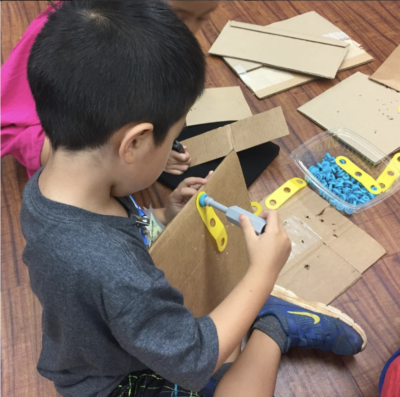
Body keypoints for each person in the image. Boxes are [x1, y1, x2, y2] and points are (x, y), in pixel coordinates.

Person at [20, 1, 367, 397]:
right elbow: (197, 355)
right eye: (171, 138)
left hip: (107, 343)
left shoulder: (52, 184)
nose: (173, 150)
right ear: (132, 143)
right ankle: (274, 322)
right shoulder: (113, 270)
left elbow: (111, 228)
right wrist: (263, 272)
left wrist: (162, 216)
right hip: (115, 374)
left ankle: (259, 317)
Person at [1, 0, 218, 177]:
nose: (190, 31)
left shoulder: (157, 42)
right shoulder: (67, 35)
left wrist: (158, 146)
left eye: (203, 17)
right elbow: (9, 131)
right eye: (178, 17)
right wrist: (145, 155)